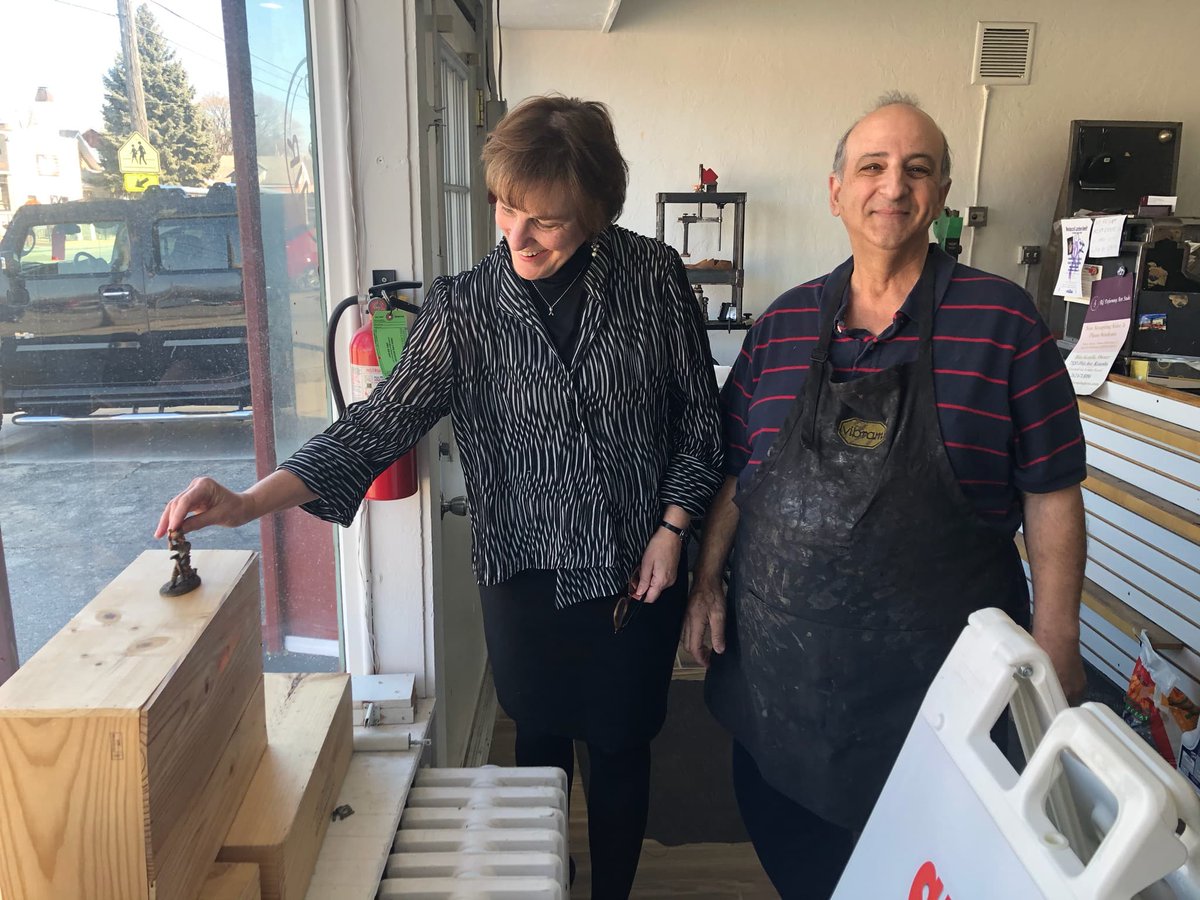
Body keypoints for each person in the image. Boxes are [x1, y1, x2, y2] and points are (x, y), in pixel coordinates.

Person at [156, 95, 723, 900]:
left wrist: (675, 525)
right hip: (524, 575)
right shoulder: (464, 307)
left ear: (596, 210)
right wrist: (250, 502)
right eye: (506, 208)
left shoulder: (654, 277)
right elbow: (377, 425)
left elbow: (700, 420)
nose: (518, 237)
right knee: (541, 746)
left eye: (548, 222)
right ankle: (546, 880)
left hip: (639, 569)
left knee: (625, 748)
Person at [683, 92, 1086, 898]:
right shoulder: (786, 325)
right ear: (836, 191)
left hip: (936, 696)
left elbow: (1052, 491)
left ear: (939, 198)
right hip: (783, 689)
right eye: (871, 166)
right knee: (799, 864)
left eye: (917, 170)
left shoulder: (1005, 324)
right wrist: (704, 582)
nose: (892, 187)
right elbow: (737, 468)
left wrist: (1057, 639)